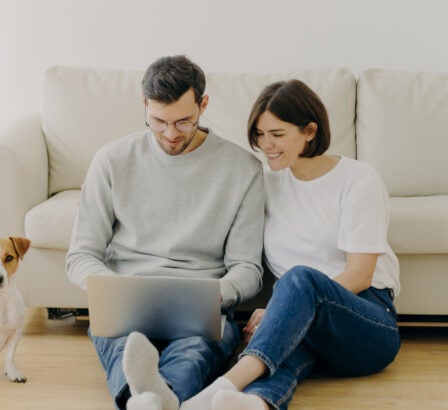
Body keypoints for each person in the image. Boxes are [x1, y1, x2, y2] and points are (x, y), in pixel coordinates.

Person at [182, 79, 401, 410]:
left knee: (300, 278)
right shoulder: (266, 181)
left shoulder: (357, 179)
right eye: (259, 134)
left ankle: (221, 386)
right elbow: (208, 196)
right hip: (301, 321)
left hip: (367, 323)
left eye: (277, 134)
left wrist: (275, 310)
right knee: (279, 354)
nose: (265, 144)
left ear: (310, 131)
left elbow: (359, 275)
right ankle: (254, 404)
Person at [66, 55, 265, 410]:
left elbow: (248, 268)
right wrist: (111, 289)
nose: (171, 134)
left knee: (195, 351)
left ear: (204, 105)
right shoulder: (111, 160)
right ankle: (154, 399)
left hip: (202, 306)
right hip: (125, 303)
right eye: (158, 121)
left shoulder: (242, 169)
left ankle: (144, 400)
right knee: (123, 344)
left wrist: (218, 293)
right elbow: (81, 256)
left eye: (183, 121)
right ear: (144, 104)